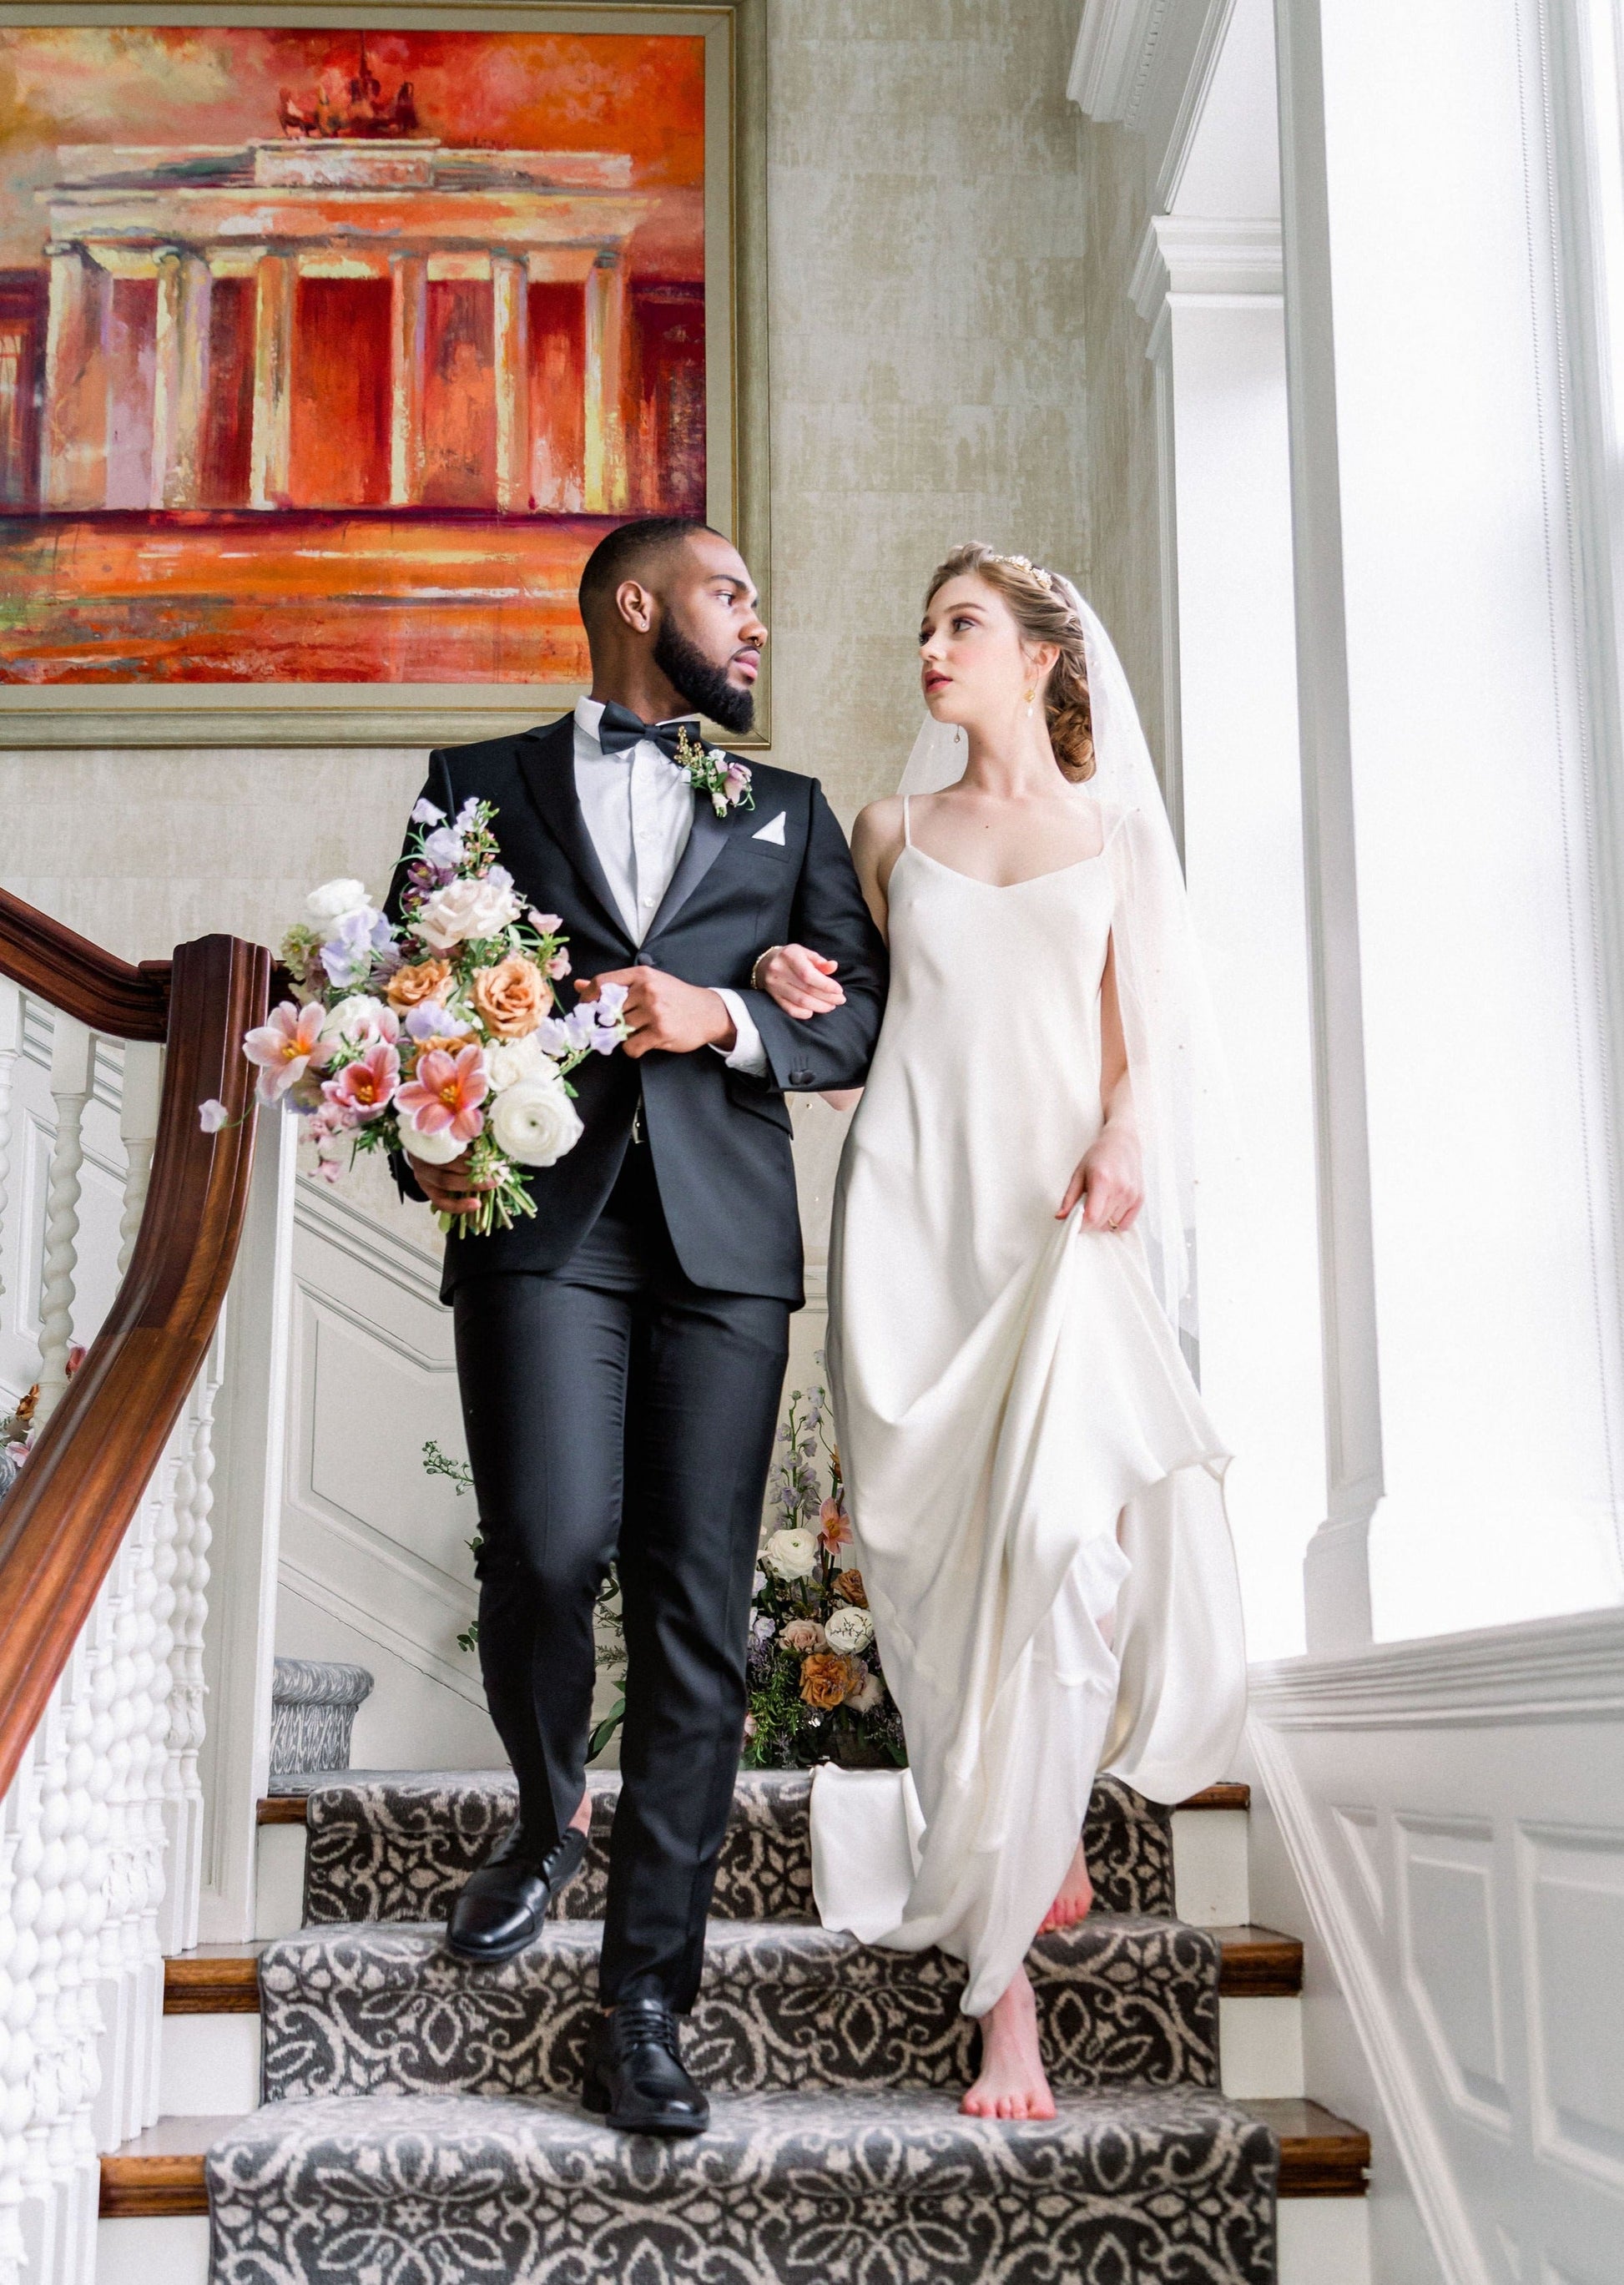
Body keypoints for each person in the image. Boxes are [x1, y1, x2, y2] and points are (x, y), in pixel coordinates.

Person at [390, 517, 886, 2136]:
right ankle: (543, 1814)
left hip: (727, 1244)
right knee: (542, 1541)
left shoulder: (792, 811)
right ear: (637, 602)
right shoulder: (473, 778)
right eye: (733, 592)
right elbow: (410, 1003)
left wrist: (733, 1011)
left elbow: (861, 1017)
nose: (754, 623)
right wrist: (436, 1111)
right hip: (546, 1222)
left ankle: (645, 1999)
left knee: (692, 1612)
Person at [754, 545, 1246, 2121]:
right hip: (912, 1233)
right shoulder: (890, 831)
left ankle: (1035, 1839)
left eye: (958, 625)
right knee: (946, 1619)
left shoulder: (1113, 838)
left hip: (1058, 1226)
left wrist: (1123, 1141)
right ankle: (1005, 2007)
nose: (929, 649)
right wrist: (783, 972)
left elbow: (1150, 1046)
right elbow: (851, 1033)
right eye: (921, 628)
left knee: (1078, 1567)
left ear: (1040, 655)